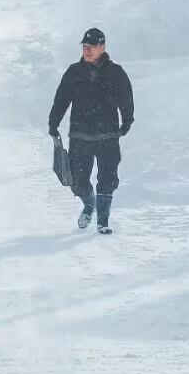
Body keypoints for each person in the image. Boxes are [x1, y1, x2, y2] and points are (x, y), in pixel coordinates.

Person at [48, 27, 134, 235]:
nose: (86, 51)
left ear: (102, 47)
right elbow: (61, 99)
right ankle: (89, 204)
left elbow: (126, 98)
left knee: (107, 177)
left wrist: (127, 120)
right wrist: (53, 122)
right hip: (80, 134)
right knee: (77, 181)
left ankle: (102, 221)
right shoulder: (74, 72)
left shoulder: (116, 73)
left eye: (91, 47)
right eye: (84, 47)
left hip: (108, 135)